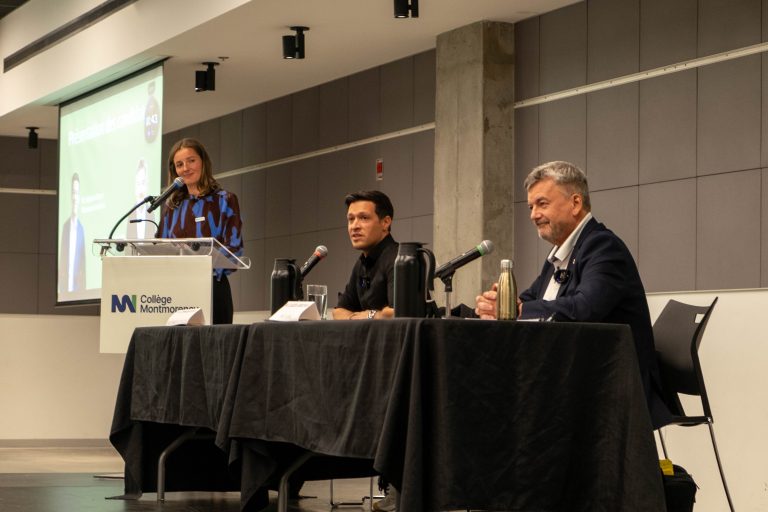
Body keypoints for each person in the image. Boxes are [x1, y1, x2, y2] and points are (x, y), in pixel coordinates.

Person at [475, 160, 671, 429]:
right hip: (575, 374)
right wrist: (501, 303)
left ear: (575, 203)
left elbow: (585, 308)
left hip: (613, 384)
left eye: (542, 204)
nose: (533, 214)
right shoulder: (561, 253)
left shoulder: (603, 247)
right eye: (531, 207)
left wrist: (517, 310)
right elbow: (532, 299)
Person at [156, 138, 243, 325]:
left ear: (203, 162)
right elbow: (160, 248)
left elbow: (234, 249)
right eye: (179, 164)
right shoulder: (171, 207)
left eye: (191, 161)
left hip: (213, 289)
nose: (185, 168)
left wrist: (205, 270)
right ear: (174, 171)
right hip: (176, 291)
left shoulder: (224, 200)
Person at [332, 190, 398, 320]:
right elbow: (338, 312)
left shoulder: (399, 259)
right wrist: (355, 318)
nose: (354, 226)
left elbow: (400, 313)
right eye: (351, 219)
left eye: (364, 218)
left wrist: (368, 315)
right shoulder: (361, 263)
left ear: (385, 222)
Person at [58, 172, 86, 294]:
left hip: (77, 291)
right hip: (63, 290)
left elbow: (83, 266)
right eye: (73, 193)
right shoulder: (65, 227)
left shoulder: (81, 229)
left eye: (77, 193)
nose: (75, 198)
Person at [126, 158, 153, 239]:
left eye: (143, 183)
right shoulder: (130, 213)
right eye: (138, 184)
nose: (141, 189)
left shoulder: (151, 212)